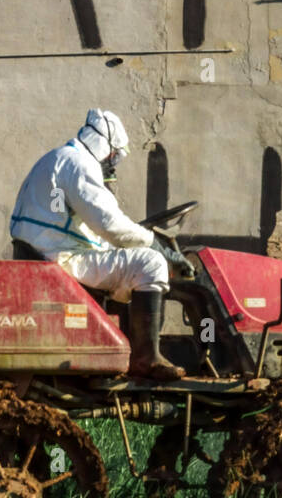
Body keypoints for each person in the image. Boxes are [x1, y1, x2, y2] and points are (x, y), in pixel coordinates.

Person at [10, 109, 188, 380]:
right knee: (151, 263)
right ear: (103, 146)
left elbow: (96, 223)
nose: (113, 164)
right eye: (115, 156)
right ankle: (146, 359)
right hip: (62, 259)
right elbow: (110, 224)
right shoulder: (78, 164)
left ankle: (118, 343)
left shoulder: (57, 159)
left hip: (50, 252)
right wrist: (157, 245)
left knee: (125, 260)